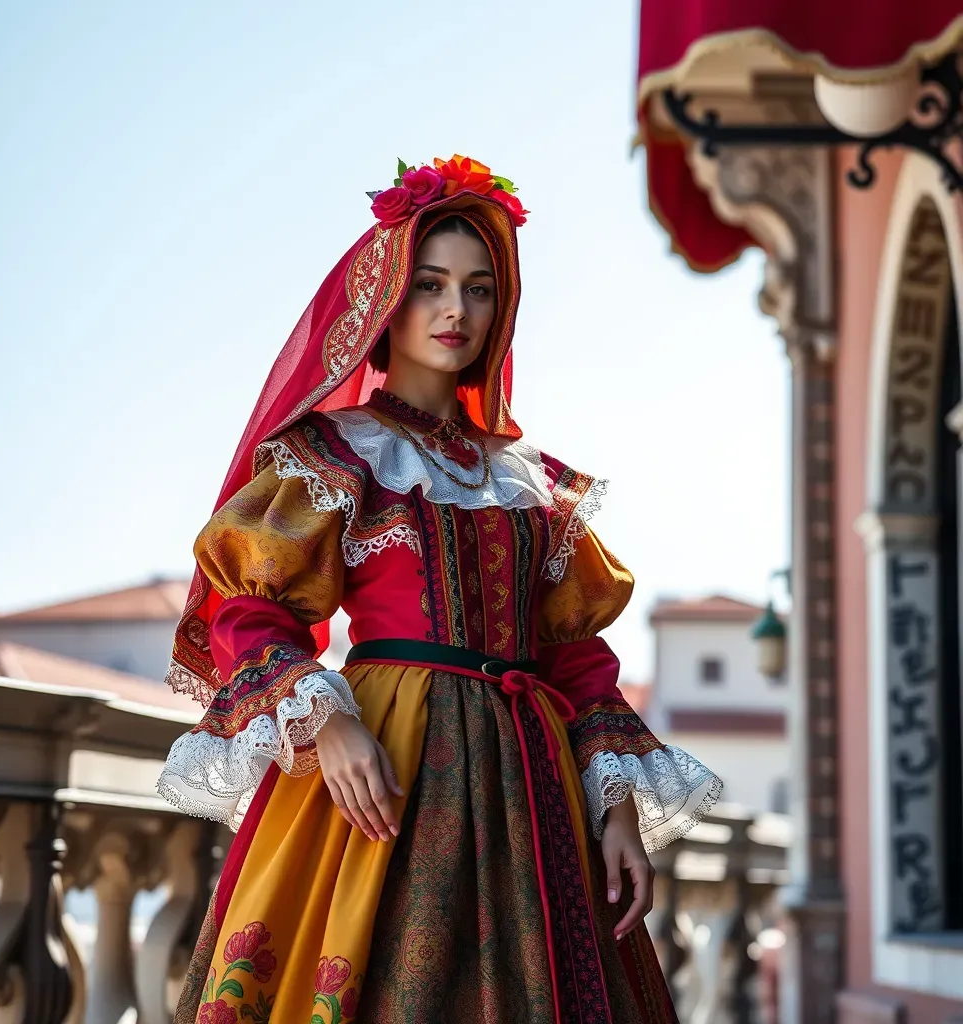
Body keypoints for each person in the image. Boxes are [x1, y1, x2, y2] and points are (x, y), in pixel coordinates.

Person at [159, 154, 721, 1024]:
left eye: (479, 288)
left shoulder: (528, 480)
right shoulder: (336, 453)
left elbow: (575, 655)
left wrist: (614, 810)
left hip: (535, 791)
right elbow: (251, 607)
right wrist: (331, 721)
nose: (456, 310)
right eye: (430, 285)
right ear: (388, 297)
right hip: (387, 764)